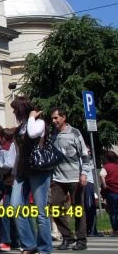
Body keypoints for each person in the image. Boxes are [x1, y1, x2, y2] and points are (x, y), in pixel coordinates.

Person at [9, 96, 52, 254]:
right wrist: (15, 172)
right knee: (15, 207)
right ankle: (29, 244)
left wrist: (32, 116)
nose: (13, 111)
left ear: (23, 108)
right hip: (21, 172)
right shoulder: (20, 127)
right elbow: (19, 153)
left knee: (41, 213)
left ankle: (45, 249)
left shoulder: (38, 122)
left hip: (38, 171)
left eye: (15, 108)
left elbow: (33, 134)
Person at [50, 107, 91, 251]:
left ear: (63, 118)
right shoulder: (53, 135)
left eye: (56, 118)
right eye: (52, 118)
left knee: (78, 209)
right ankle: (67, 237)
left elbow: (85, 154)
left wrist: (84, 173)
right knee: (54, 207)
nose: (53, 121)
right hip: (57, 178)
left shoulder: (75, 133)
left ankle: (81, 240)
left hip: (75, 177)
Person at [0, 127, 20, 252]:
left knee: (9, 212)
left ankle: (7, 241)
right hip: (8, 183)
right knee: (10, 212)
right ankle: (11, 240)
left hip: (12, 182)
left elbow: (9, 165)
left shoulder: (10, 147)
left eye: (1, 136)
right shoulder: (2, 147)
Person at [100, 150, 118, 236]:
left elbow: (102, 176)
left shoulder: (106, 167)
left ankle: (115, 230)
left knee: (113, 211)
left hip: (111, 192)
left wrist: (104, 185)